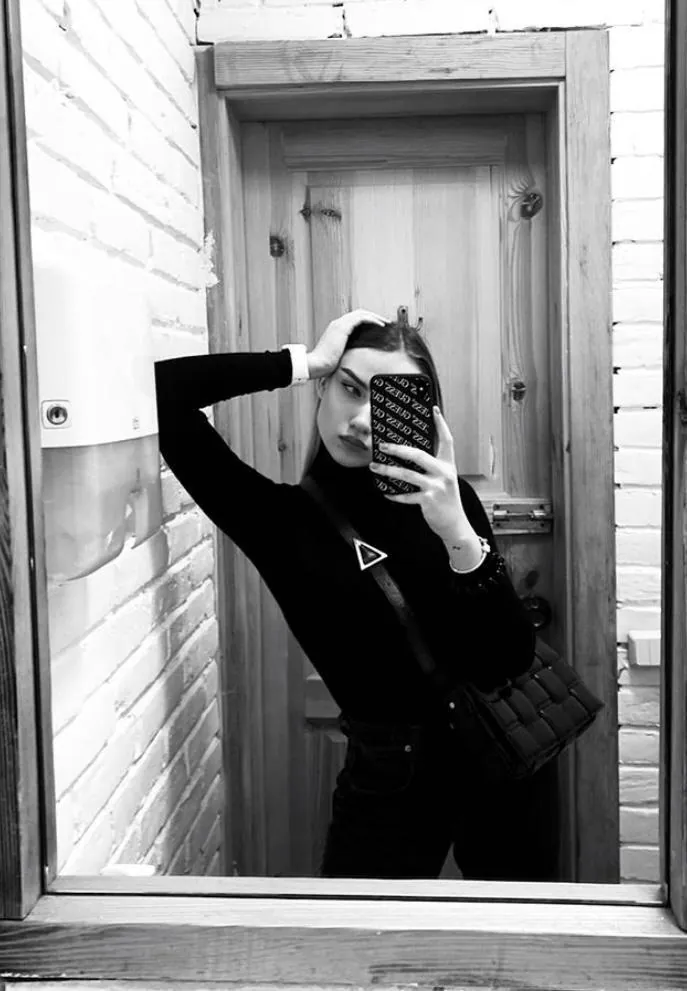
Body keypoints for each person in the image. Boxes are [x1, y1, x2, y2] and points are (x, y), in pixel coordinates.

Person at [154, 309, 560, 881]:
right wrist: (300, 361)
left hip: (502, 748)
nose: (363, 419)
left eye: (386, 399)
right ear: (322, 387)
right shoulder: (279, 521)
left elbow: (508, 657)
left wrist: (458, 534)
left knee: (517, 926)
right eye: (348, 387)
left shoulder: (447, 502)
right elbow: (161, 393)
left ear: (417, 412)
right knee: (360, 932)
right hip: (389, 772)